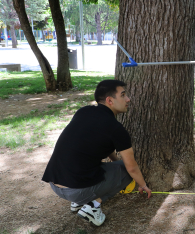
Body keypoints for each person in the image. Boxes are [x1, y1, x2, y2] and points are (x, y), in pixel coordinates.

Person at [42, 80, 152, 226]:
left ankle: (79, 202)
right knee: (126, 171)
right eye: (123, 95)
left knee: (112, 165)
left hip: (55, 183)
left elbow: (102, 145)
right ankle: (92, 206)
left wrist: (115, 163)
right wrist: (142, 185)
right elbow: (131, 167)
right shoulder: (116, 129)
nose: (128, 99)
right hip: (75, 190)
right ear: (110, 100)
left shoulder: (84, 112)